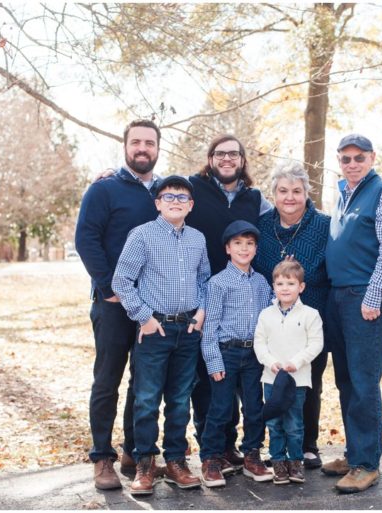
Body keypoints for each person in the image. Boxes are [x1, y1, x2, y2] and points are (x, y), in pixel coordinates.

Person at [75, 119, 163, 490]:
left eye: (149, 143)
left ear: (158, 148)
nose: (142, 148)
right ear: (125, 145)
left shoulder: (165, 191)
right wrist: (111, 287)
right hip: (112, 304)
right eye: (136, 142)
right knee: (108, 379)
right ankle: (102, 458)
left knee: (144, 382)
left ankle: (133, 449)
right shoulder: (104, 189)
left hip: (152, 306)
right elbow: (86, 240)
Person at [111, 175, 209, 495]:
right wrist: (145, 318)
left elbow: (205, 279)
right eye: (169, 196)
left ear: (191, 205)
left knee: (180, 401)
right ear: (158, 203)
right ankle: (145, 463)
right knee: (147, 400)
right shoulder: (142, 235)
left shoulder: (197, 238)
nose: (176, 202)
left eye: (182, 197)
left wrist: (201, 312)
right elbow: (122, 281)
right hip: (155, 330)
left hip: (188, 330)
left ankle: (177, 461)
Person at [322, 134, 382, 494]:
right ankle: (355, 453)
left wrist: (373, 297)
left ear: (372, 158)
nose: (352, 163)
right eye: (346, 158)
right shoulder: (344, 194)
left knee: (363, 381)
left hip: (364, 299)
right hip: (338, 297)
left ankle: (367, 464)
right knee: (346, 380)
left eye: (359, 158)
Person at [185, 134, 272, 471]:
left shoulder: (254, 198)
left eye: (233, 154)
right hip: (203, 292)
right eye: (219, 154)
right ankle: (212, 450)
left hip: (244, 295)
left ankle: (232, 448)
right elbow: (164, 196)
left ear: (242, 159)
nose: (226, 159)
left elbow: (285, 210)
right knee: (210, 385)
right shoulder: (194, 187)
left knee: (246, 396)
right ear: (210, 158)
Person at [253, 160, 331, 469]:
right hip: (271, 320)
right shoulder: (262, 226)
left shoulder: (324, 225)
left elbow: (332, 269)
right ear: (273, 193)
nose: (289, 197)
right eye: (283, 190)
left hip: (310, 317)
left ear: (306, 193)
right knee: (269, 382)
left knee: (307, 383)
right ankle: (274, 448)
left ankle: (307, 444)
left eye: (296, 191)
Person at [199, 220, 274, 488]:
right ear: (228, 248)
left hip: (254, 355)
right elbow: (210, 326)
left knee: (255, 408)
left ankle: (252, 455)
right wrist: (213, 359)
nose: (244, 248)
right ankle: (211, 458)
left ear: (255, 249)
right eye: (238, 244)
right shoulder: (218, 283)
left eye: (249, 244)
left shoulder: (262, 282)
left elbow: (270, 315)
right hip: (226, 353)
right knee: (220, 409)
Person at [253, 259, 324, 485]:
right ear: (274, 286)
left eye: (291, 283)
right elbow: (259, 343)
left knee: (294, 424)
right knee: (274, 423)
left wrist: (296, 361)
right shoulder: (266, 315)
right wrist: (271, 362)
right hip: (271, 378)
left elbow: (315, 344)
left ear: (301, 287)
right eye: (280, 283)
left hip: (297, 379)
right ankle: (278, 462)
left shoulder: (310, 315)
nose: (285, 288)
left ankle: (295, 462)